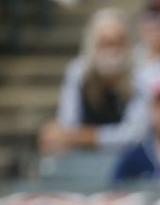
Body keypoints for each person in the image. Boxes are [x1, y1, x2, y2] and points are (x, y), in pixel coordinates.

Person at [40, 8, 148, 155]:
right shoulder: (78, 73)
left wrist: (90, 137)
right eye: (105, 43)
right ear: (92, 45)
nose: (112, 51)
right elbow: (67, 124)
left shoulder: (140, 75)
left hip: (125, 159)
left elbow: (135, 134)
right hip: (81, 158)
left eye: (118, 43)